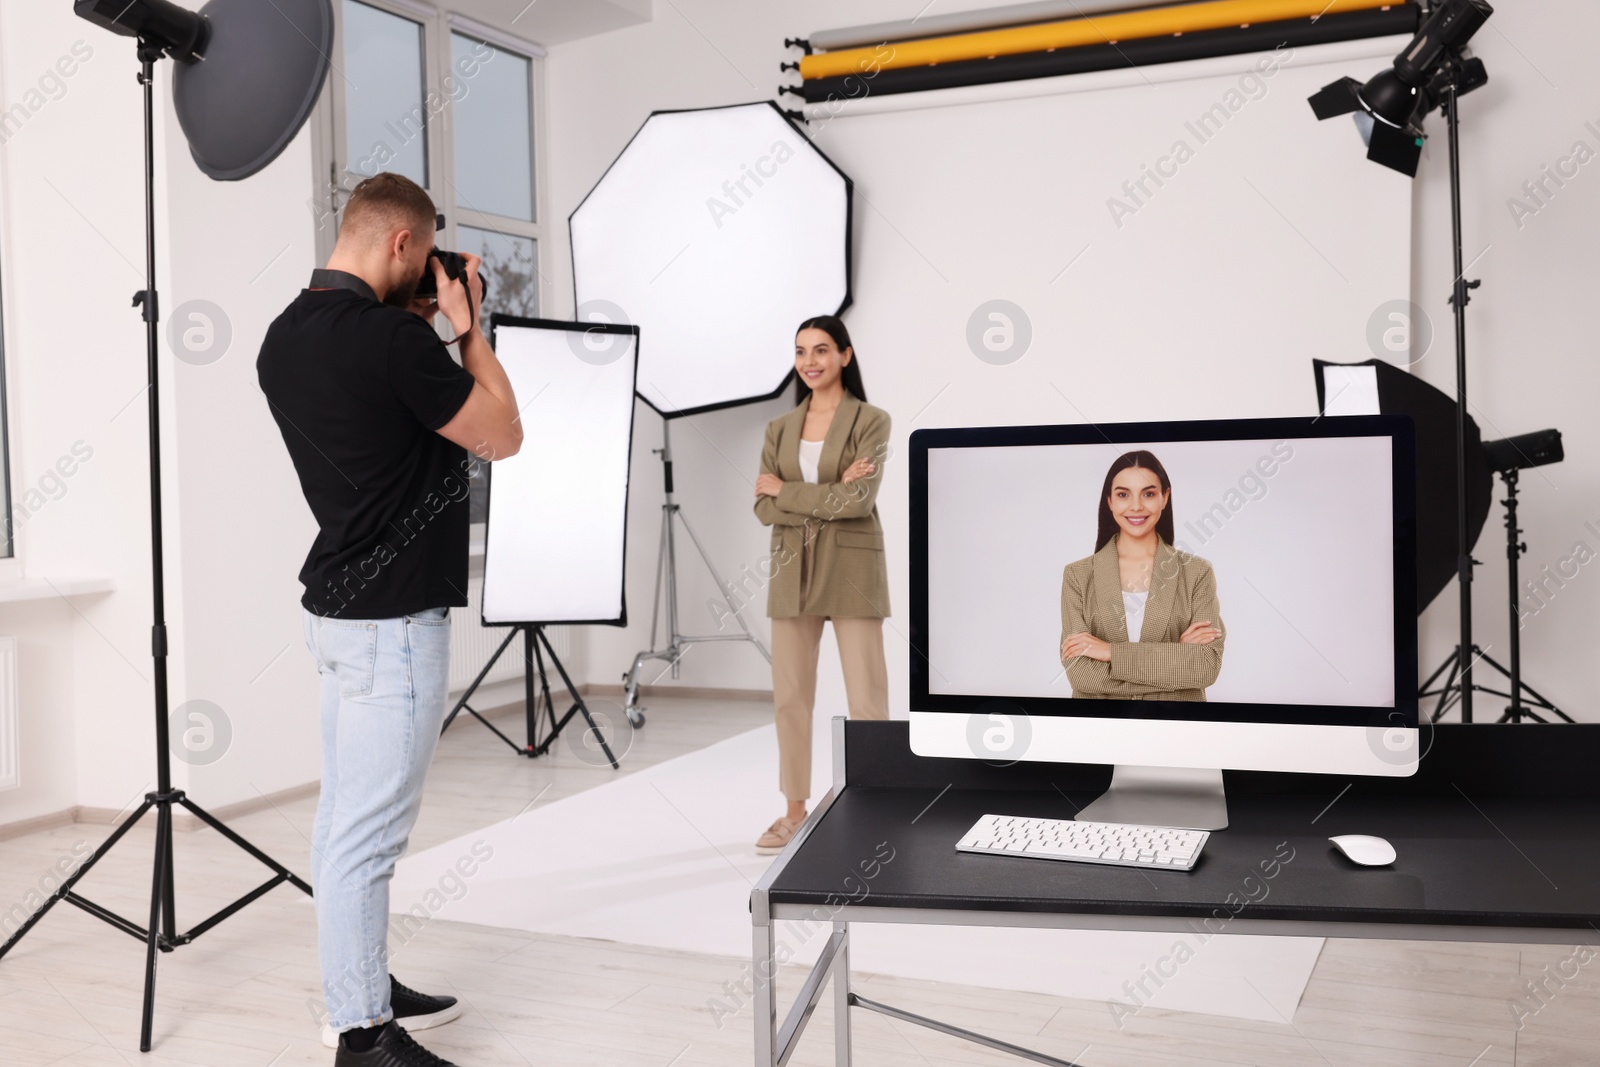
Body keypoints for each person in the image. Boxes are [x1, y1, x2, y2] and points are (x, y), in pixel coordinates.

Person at [257, 172, 522, 1067]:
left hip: (336, 611)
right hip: (393, 625)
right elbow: (502, 434)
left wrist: (415, 322)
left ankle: (360, 981)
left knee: (343, 822)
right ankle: (363, 1034)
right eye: (425, 254)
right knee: (367, 836)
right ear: (405, 245)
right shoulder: (396, 345)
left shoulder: (282, 338)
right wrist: (467, 327)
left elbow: (374, 409)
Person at [752, 315, 891, 854]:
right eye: (801, 351)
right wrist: (822, 491)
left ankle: (877, 804)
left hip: (852, 570)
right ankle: (793, 811)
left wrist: (787, 489)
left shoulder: (871, 421)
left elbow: (858, 501)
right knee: (790, 696)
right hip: (791, 570)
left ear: (845, 356)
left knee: (866, 695)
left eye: (822, 350)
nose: (810, 361)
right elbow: (762, 509)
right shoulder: (779, 429)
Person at [1059, 450, 1224, 700]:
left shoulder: (1197, 573)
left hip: (1178, 728)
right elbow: (1082, 676)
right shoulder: (1078, 576)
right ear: (1110, 501)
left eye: (1148, 494)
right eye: (1123, 494)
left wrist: (1110, 652)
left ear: (1164, 497)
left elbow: (1205, 667)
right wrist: (1176, 655)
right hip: (1099, 730)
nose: (1136, 505)